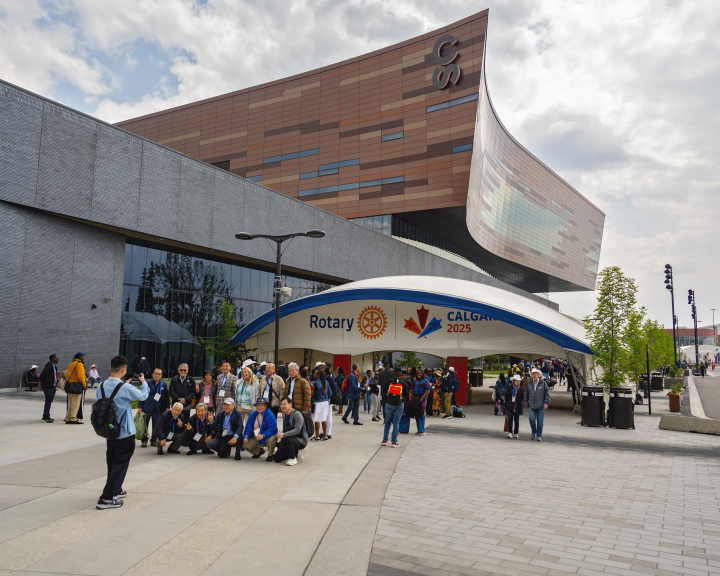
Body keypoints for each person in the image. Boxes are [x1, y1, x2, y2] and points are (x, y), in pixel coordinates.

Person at [96, 355, 149, 509]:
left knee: (112, 463)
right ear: (124, 370)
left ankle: (116, 489)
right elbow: (143, 396)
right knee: (120, 464)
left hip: (108, 431)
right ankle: (106, 497)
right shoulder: (125, 388)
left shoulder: (101, 386)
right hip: (124, 432)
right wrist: (144, 383)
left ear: (110, 368)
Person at [137, 368, 170, 447]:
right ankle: (144, 440)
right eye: (156, 373)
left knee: (156, 425)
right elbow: (142, 394)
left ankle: (154, 440)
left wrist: (167, 407)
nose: (157, 375)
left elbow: (166, 397)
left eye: (159, 374)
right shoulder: (147, 383)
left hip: (158, 408)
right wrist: (140, 406)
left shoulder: (163, 384)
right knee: (145, 424)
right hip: (147, 406)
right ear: (152, 374)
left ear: (161, 375)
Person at [272, 397, 307, 465]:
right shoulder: (285, 415)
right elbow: (286, 429)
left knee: (286, 438)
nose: (282, 406)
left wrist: (284, 435)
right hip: (290, 439)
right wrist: (282, 434)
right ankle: (295, 452)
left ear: (290, 404)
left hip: (300, 439)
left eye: (284, 404)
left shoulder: (297, 414)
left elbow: (297, 430)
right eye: (281, 404)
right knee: (276, 458)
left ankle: (293, 458)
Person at [381, 367, 408, 447]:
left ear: (393, 374)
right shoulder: (403, 384)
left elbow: (384, 392)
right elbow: (406, 395)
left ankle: (384, 440)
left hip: (389, 404)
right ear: (401, 375)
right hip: (399, 405)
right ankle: (394, 442)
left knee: (387, 422)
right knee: (396, 423)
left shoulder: (388, 382)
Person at [524, 368, 551, 441]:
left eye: (535, 374)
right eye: (533, 374)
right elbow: (526, 392)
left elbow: (547, 393)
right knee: (532, 419)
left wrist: (546, 402)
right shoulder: (529, 382)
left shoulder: (543, 383)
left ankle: (539, 435)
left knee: (540, 421)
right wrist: (525, 401)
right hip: (531, 405)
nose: (534, 375)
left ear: (538, 375)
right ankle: (533, 432)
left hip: (541, 405)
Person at [65, 352, 87, 424]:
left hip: (70, 385)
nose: (83, 357)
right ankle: (73, 418)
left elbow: (67, 375)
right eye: (83, 356)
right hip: (77, 386)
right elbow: (80, 376)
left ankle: (68, 417)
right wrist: (84, 385)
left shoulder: (71, 364)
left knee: (70, 403)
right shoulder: (80, 364)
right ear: (80, 357)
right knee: (75, 403)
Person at [311, 368, 330, 441]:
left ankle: (317, 436)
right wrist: (327, 399)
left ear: (318, 375)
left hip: (318, 402)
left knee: (317, 419)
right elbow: (330, 392)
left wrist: (313, 400)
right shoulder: (326, 382)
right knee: (324, 419)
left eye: (315, 373)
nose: (314, 374)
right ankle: (325, 435)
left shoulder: (315, 383)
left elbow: (312, 393)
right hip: (325, 402)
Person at [410, 368, 431, 435]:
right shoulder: (414, 381)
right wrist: (413, 397)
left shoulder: (426, 381)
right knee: (417, 414)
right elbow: (412, 389)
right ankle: (419, 430)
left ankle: (422, 430)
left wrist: (422, 398)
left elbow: (427, 391)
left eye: (420, 373)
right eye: (418, 373)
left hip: (422, 399)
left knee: (421, 414)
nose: (419, 374)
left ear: (423, 374)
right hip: (415, 398)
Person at [39, 354, 60, 422]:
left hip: (53, 386)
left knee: (49, 401)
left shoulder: (55, 367)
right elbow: (43, 374)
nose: (58, 359)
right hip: (48, 386)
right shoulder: (49, 366)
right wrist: (43, 381)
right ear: (53, 359)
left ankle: (47, 415)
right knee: (48, 400)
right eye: (57, 358)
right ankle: (45, 417)